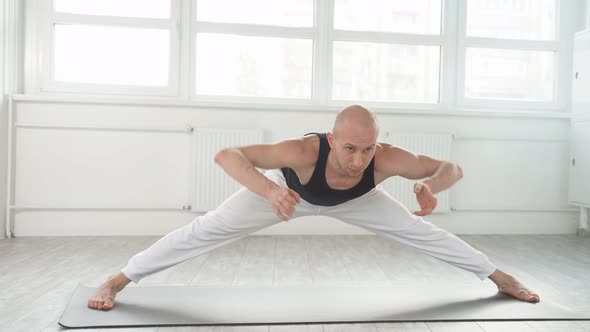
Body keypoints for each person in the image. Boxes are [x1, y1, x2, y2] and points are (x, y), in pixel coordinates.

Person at [88, 105, 540, 311]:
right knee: (204, 231)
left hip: (359, 201)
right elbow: (228, 156)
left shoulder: (385, 157)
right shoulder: (303, 152)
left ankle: (501, 278)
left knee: (424, 234)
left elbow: (450, 166)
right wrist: (269, 192)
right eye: (349, 148)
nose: (359, 158)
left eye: (367, 149)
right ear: (330, 138)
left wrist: (431, 186)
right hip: (289, 197)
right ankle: (118, 279)